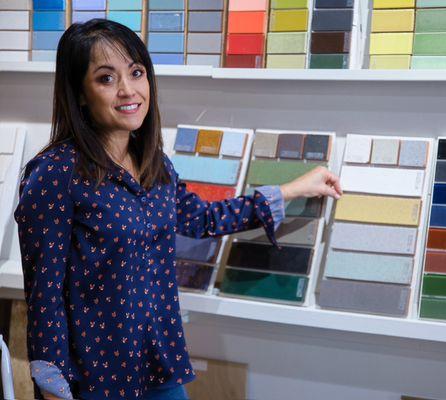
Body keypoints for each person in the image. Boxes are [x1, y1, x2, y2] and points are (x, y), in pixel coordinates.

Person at [14, 19, 342, 400]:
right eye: (106, 78)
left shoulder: (155, 165)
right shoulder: (56, 173)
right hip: (94, 378)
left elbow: (203, 219)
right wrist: (52, 385)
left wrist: (291, 189)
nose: (128, 90)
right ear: (80, 94)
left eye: (136, 73)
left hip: (159, 365)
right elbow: (44, 294)